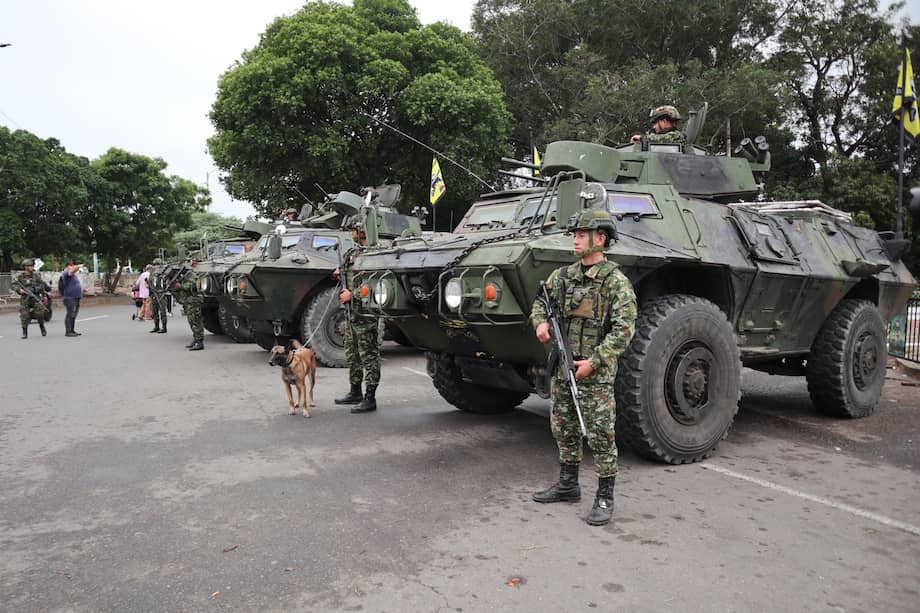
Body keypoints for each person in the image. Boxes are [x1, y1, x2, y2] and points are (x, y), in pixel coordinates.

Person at [529, 210, 637, 526]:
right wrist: (540, 325)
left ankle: (605, 495)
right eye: (573, 233)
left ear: (600, 238)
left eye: (581, 234)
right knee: (563, 426)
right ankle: (568, 484)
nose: (575, 239)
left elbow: (624, 329)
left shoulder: (615, 282)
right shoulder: (563, 277)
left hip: (596, 373)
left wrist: (594, 362)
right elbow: (540, 302)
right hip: (564, 367)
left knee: (601, 433)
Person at [334, 223, 381, 413]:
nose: (350, 234)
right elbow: (345, 271)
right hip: (350, 314)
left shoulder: (374, 254)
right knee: (352, 355)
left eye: (353, 230)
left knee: (368, 356)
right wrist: (339, 272)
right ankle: (355, 392)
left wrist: (352, 295)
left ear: (362, 230)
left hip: (365, 314)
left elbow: (376, 285)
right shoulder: (352, 253)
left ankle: (370, 398)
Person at [11, 259, 50, 339]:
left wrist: (44, 296)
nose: (32, 267)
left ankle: (42, 326)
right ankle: (24, 332)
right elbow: (13, 285)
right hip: (25, 298)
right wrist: (19, 290)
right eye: (30, 266)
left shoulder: (36, 276)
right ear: (25, 267)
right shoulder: (20, 277)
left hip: (35, 297)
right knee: (24, 315)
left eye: (32, 266)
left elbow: (42, 286)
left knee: (40, 313)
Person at [174, 257, 204, 351]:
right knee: (192, 321)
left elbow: (192, 286)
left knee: (195, 320)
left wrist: (180, 286)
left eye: (191, 261)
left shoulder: (194, 273)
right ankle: (196, 339)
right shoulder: (190, 272)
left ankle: (199, 342)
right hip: (189, 300)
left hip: (193, 300)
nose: (190, 262)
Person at [60, 260, 84, 337]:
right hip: (69, 298)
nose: (72, 266)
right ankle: (68, 332)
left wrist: (81, 289)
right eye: (71, 265)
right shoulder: (66, 273)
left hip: (76, 297)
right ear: (67, 267)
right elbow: (71, 271)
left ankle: (72, 330)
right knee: (70, 314)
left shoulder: (73, 275)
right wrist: (78, 266)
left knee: (74, 314)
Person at [149, 258, 168, 334]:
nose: (156, 266)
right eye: (155, 265)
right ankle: (156, 326)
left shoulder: (163, 274)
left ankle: (164, 327)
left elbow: (166, 284)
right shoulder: (152, 274)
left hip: (161, 294)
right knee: (154, 311)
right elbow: (150, 284)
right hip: (154, 294)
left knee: (162, 311)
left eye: (158, 264)